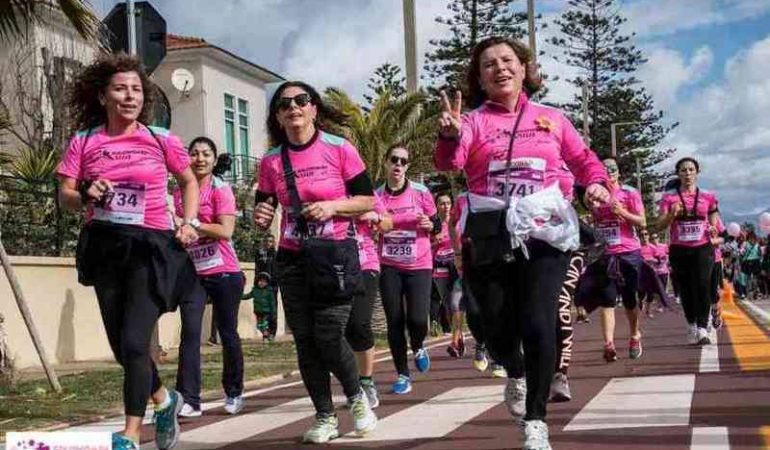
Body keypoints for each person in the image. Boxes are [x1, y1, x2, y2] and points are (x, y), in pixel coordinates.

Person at [434, 36, 610, 450]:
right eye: (489, 64)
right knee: (491, 325)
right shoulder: (473, 121)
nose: (500, 69)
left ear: (524, 67)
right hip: (491, 234)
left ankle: (536, 419)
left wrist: (597, 186)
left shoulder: (552, 117)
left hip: (546, 233)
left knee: (538, 320)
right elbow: (450, 163)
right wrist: (448, 136)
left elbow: (584, 160)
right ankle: (513, 370)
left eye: (508, 60)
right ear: (479, 77)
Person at [57, 53, 198, 450]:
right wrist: (85, 191)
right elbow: (65, 195)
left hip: (150, 247)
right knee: (122, 346)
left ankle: (131, 434)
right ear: (103, 96)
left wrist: (188, 222)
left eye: (137, 89)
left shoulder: (160, 138)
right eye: (120, 89)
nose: (130, 96)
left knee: (137, 343)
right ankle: (164, 400)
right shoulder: (85, 140)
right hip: (104, 246)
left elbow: (188, 181)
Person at [253, 81, 377, 443]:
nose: (294, 107)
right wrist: (260, 214)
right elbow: (264, 206)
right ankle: (324, 416)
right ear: (277, 116)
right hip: (292, 258)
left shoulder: (340, 149)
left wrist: (333, 206)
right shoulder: (271, 161)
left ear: (313, 109)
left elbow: (367, 199)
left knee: (328, 335)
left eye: (301, 100)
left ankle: (356, 398)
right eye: (284, 103)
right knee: (305, 341)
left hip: (336, 254)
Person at [172, 137, 246, 418]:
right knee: (190, 333)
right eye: (194, 153)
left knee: (227, 333)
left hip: (225, 272)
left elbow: (226, 231)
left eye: (206, 154)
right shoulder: (180, 192)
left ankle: (234, 392)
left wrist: (194, 225)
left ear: (214, 160)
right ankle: (189, 399)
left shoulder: (220, 189)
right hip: (194, 274)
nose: (200, 158)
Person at [378, 146, 440, 395]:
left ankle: (418, 345)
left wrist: (429, 223)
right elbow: (377, 224)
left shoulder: (421, 192)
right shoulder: (377, 195)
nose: (398, 165)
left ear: (407, 167)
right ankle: (403, 374)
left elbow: (436, 222)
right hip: (389, 264)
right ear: (386, 162)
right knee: (394, 321)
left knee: (416, 318)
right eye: (394, 159)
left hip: (419, 264)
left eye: (404, 161)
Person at [576, 159, 646, 363]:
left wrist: (622, 212)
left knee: (629, 299)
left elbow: (642, 221)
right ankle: (609, 345)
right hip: (604, 254)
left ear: (618, 173)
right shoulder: (593, 195)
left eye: (612, 169)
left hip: (628, 253)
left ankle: (634, 335)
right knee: (607, 298)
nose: (609, 172)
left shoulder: (629, 193)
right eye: (604, 169)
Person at [657, 157, 720, 345]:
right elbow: (659, 225)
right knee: (685, 289)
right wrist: (671, 214)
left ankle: (702, 327)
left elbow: (713, 216)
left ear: (697, 173)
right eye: (683, 170)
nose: (688, 174)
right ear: (678, 174)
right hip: (679, 249)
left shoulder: (708, 196)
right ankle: (691, 322)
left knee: (702, 285)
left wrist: (713, 227)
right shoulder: (669, 198)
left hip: (702, 248)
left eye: (691, 170)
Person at [347, 193, 393, 408]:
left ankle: (365, 381)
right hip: (333, 265)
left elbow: (388, 223)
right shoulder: (325, 189)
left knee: (359, 323)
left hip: (365, 264)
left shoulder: (365, 191)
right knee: (342, 329)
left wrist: (374, 216)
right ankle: (352, 384)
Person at [432, 193, 463, 354]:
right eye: (442, 203)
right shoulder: (433, 224)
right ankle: (458, 336)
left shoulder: (456, 223)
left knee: (456, 304)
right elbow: (424, 246)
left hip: (457, 267)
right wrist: (433, 241)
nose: (445, 206)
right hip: (440, 268)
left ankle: (454, 342)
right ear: (436, 206)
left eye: (448, 203)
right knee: (447, 305)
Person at [256, 234, 279, 336]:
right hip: (261, 287)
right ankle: (265, 333)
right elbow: (257, 270)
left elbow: (278, 270)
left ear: (273, 243)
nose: (268, 243)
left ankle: (272, 333)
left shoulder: (276, 255)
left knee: (272, 311)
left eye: (270, 241)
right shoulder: (260, 255)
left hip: (272, 287)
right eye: (266, 241)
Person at [243, 272, 276, 341]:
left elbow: (272, 303)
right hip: (257, 311)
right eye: (260, 281)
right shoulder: (255, 290)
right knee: (259, 326)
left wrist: (273, 312)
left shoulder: (269, 291)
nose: (262, 283)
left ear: (267, 283)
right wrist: (239, 296)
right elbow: (248, 296)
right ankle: (267, 335)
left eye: (264, 282)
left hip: (266, 312)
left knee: (264, 325)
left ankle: (266, 337)